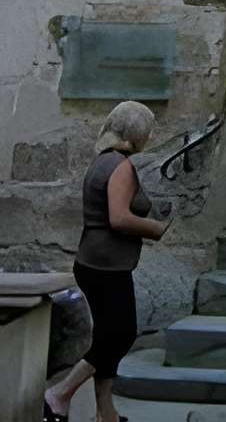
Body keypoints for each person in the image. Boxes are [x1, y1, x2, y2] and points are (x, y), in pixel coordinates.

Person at [45, 101, 168, 422]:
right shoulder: (120, 166)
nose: (151, 137)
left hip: (95, 263)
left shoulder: (104, 161)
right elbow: (119, 218)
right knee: (121, 336)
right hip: (106, 266)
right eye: (148, 131)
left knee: (107, 338)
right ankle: (60, 394)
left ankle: (106, 413)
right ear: (136, 134)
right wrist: (156, 228)